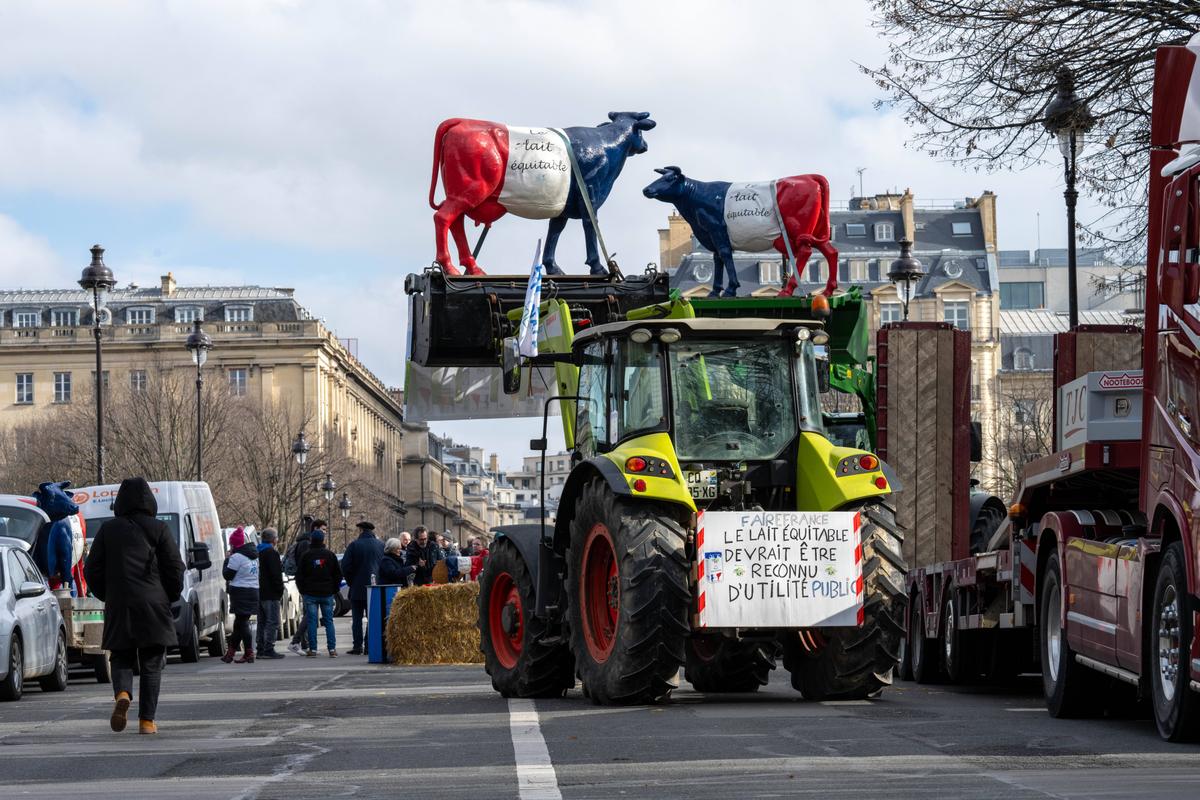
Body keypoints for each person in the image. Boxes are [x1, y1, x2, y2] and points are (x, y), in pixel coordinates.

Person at [84, 477, 185, 736]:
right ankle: (147, 722)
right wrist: (170, 594)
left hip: (120, 602)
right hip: (153, 602)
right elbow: (174, 567)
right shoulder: (159, 529)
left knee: (121, 656)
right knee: (152, 662)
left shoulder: (108, 529)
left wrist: (108, 594)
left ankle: (123, 693)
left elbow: (91, 569)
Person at [340, 520, 384, 655]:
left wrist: (351, 581)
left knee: (357, 619)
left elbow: (345, 567)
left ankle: (357, 646)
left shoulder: (354, 545)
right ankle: (369, 645)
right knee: (372, 618)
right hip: (375, 587)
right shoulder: (381, 545)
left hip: (357, 588)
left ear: (361, 531)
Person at [297, 528, 342, 657]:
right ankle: (332, 649)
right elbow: (337, 574)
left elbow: (300, 575)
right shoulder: (330, 555)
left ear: (311, 540)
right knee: (329, 621)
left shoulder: (306, 556)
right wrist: (334, 589)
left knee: (312, 621)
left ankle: (313, 649)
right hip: (327, 592)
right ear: (323, 540)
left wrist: (302, 590)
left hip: (310, 592)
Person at [285, 518, 325, 653]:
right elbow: (306, 566)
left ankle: (304, 645)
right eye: (323, 530)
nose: (325, 533)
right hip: (307, 583)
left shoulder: (304, 543)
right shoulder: (306, 544)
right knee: (310, 614)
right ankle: (296, 642)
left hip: (305, 582)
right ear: (316, 529)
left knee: (309, 613)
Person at [222, 527, 259, 664]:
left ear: (234, 544)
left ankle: (249, 652)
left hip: (240, 591)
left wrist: (227, 560)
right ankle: (230, 654)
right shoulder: (254, 556)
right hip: (253, 591)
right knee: (239, 624)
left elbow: (227, 575)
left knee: (242, 623)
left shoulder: (236, 557)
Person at [256, 528, 286, 659]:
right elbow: (276, 575)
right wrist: (280, 589)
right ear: (274, 540)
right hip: (271, 593)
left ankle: (260, 649)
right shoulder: (271, 553)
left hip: (259, 591)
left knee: (261, 622)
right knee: (272, 621)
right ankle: (269, 648)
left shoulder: (257, 552)